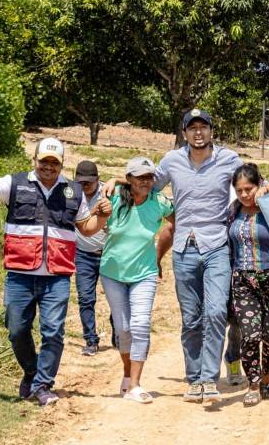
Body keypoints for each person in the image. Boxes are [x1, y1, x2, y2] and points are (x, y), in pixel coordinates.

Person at [108, 109, 243, 403]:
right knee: (192, 317)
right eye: (191, 128)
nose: (198, 133)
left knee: (217, 311)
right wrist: (115, 180)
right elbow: (143, 184)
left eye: (203, 127)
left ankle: (210, 378)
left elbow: (249, 184)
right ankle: (194, 379)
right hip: (184, 248)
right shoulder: (171, 161)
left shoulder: (229, 159)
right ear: (184, 133)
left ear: (211, 131)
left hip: (217, 244)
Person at [0, 138, 111, 406]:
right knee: (16, 329)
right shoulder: (15, 183)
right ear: (34, 160)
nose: (48, 167)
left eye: (54, 163)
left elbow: (86, 227)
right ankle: (32, 371)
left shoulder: (73, 191)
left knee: (53, 331)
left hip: (57, 275)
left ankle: (42, 384)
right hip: (20, 273)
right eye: (44, 161)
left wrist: (103, 216)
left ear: (61, 165)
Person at [101, 157, 175, 403]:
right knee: (123, 328)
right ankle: (126, 372)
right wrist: (113, 181)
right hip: (113, 273)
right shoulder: (112, 197)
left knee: (141, 325)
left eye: (150, 177)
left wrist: (160, 254)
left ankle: (135, 384)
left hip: (145, 273)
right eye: (140, 177)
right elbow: (95, 222)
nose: (146, 181)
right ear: (129, 179)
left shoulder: (160, 202)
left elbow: (177, 223)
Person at [227, 165, 269, 405]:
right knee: (250, 336)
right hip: (243, 281)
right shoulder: (233, 211)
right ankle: (252, 382)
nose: (244, 195)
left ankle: (266, 374)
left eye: (248, 189)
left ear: (258, 185)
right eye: (239, 190)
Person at [73, 160, 107, 356]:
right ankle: (90, 339)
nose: (85, 186)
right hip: (83, 254)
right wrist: (90, 214)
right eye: (81, 182)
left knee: (115, 298)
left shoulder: (109, 193)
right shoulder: (71, 195)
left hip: (109, 254)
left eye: (89, 183)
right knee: (86, 298)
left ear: (98, 180)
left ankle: (118, 334)